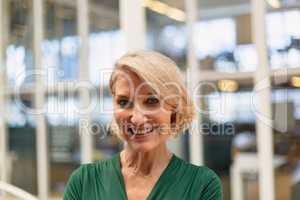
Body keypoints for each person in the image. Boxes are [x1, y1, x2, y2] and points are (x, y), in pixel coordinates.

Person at [63, 50, 223, 200]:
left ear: (174, 108)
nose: (137, 119)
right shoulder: (84, 183)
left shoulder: (202, 186)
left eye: (152, 101)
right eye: (124, 102)